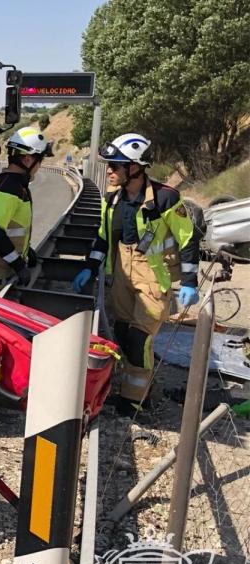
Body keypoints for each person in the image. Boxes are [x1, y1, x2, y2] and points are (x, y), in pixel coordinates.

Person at [72, 133, 200, 417]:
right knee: (121, 333)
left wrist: (189, 281)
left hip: (153, 277)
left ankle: (135, 401)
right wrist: (89, 266)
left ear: (135, 167)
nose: (109, 171)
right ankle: (126, 388)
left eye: (115, 165)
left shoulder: (166, 198)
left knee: (139, 340)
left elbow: (188, 239)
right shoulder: (111, 199)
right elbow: (103, 238)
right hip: (122, 275)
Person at [0, 127, 53, 293]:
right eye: (40, 161)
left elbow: (11, 227)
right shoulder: (9, 188)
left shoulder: (11, 183)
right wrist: (18, 264)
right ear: (28, 160)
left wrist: (25, 251)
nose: (39, 166)